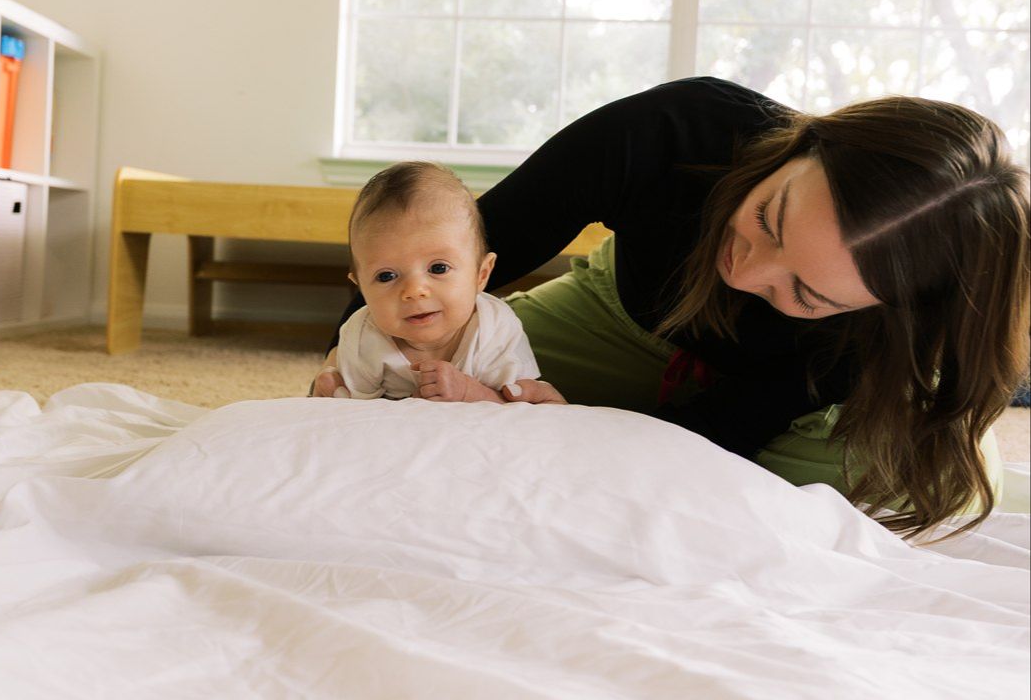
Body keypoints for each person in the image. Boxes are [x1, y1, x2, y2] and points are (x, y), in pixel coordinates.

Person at [312, 77, 1030, 538]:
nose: (747, 271)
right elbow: (425, 249)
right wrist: (351, 359)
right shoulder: (676, 131)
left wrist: (577, 437)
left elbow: (717, 434)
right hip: (627, 314)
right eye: (767, 218)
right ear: (803, 147)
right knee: (440, 375)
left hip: (778, 390)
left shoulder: (876, 334)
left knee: (938, 494)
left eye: (805, 292)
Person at [330, 161, 541, 401]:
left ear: (481, 275)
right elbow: (354, 414)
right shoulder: (361, 338)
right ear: (361, 286)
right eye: (386, 276)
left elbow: (521, 409)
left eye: (438, 268)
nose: (414, 290)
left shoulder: (496, 329)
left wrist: (469, 392)